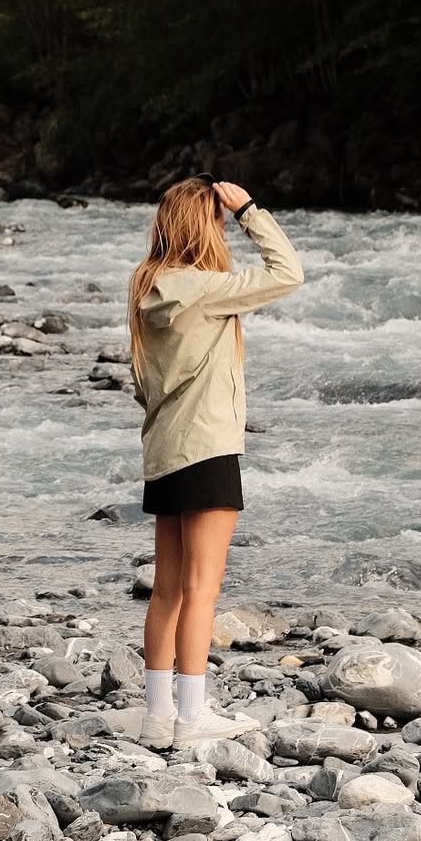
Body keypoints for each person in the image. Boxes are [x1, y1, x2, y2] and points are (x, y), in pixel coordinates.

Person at [127, 176, 304, 749]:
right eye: (221, 223)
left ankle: (158, 717)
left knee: (168, 591)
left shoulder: (147, 287)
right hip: (207, 449)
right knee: (202, 591)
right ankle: (192, 717)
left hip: (163, 451)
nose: (225, 230)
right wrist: (250, 209)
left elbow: (142, 384)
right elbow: (288, 273)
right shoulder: (208, 289)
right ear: (206, 227)